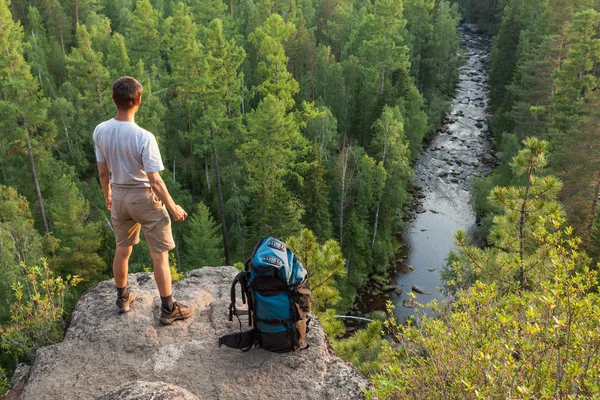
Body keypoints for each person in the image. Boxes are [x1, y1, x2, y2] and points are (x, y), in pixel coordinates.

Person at [94, 76, 194, 325]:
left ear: (113, 99)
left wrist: (107, 193)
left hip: (118, 195)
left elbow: (103, 172)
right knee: (159, 255)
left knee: (123, 248)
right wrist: (172, 207)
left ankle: (123, 297)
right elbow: (155, 181)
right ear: (138, 100)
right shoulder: (143, 137)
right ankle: (169, 308)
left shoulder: (101, 130)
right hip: (143, 198)